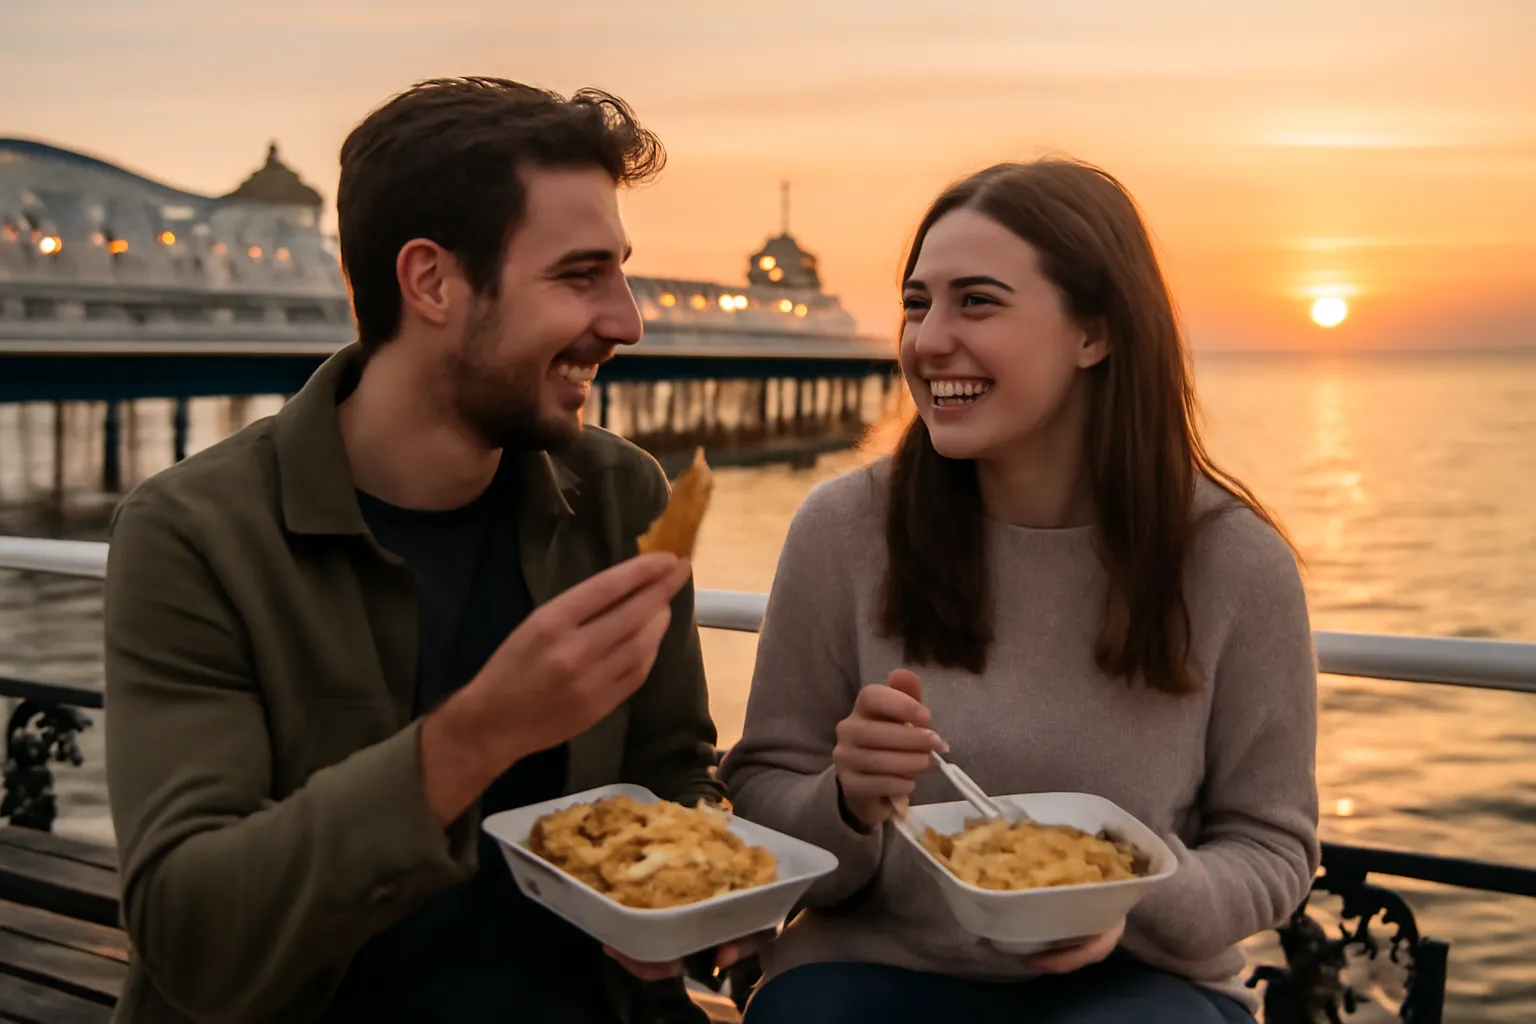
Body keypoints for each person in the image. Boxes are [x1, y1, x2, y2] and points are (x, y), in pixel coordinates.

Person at [103, 77, 741, 1023]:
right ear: (432, 282)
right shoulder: (194, 536)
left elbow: (674, 768)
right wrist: (481, 731)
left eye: (620, 272)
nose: (626, 320)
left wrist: (715, 881)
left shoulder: (620, 497)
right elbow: (193, 936)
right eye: (579, 275)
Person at [718, 159, 1320, 1023]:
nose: (928, 341)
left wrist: (1123, 891)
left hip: (1138, 983)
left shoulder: (1234, 562)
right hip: (870, 968)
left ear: (1095, 333)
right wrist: (845, 797)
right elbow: (765, 791)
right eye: (917, 303)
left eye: (978, 301)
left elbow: (1272, 851)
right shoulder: (844, 529)